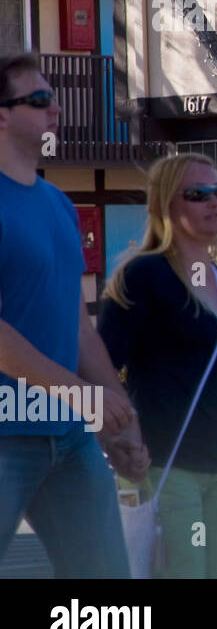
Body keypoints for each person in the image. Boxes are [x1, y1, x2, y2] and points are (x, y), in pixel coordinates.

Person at [0, 52, 148, 578]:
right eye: (39, 100)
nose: (55, 110)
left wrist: (119, 424)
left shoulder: (60, 205)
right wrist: (82, 396)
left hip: (68, 439)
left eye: (53, 98)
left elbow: (78, 324)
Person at [98, 152, 217, 578]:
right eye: (197, 194)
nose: (215, 203)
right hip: (166, 468)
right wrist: (119, 440)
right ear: (166, 206)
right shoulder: (143, 276)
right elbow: (100, 369)